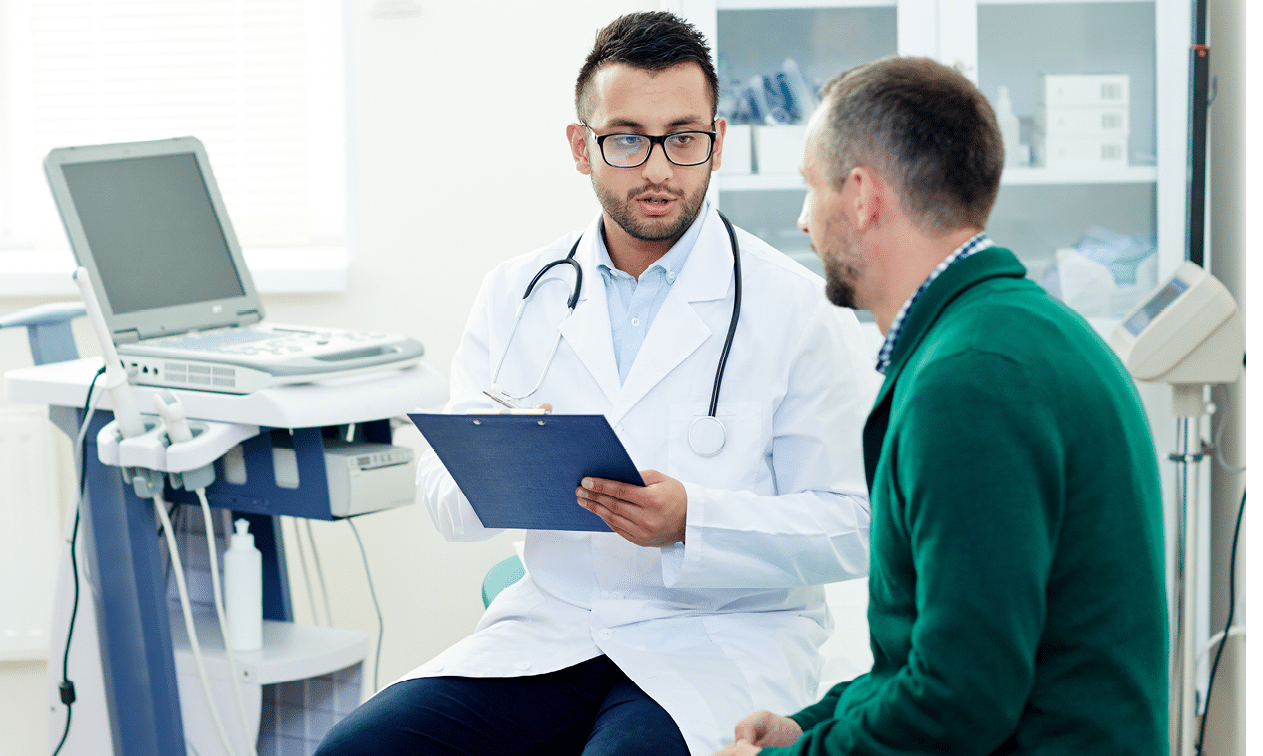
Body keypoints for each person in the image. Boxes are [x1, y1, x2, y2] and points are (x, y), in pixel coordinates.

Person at [315, 12, 879, 756]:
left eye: (683, 138)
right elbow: (444, 501)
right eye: (625, 139)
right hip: (553, 630)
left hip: (717, 639)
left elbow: (850, 524)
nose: (657, 168)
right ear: (581, 147)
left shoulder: (795, 306)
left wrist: (693, 521)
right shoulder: (517, 293)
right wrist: (507, 469)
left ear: (716, 139)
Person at [714, 56, 1168, 756]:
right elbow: (929, 659)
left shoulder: (968, 382)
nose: (802, 220)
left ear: (862, 196)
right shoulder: (1017, 331)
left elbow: (958, 701)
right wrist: (810, 724)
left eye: (809, 187)